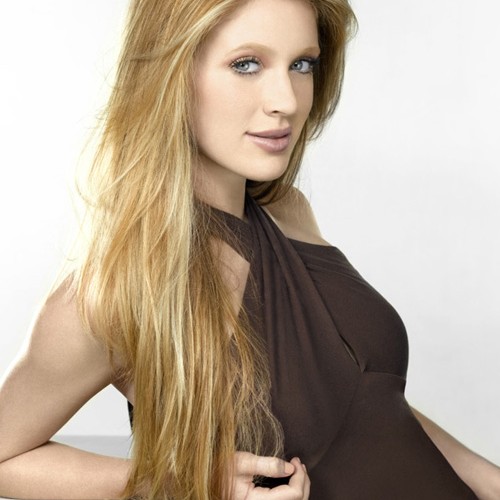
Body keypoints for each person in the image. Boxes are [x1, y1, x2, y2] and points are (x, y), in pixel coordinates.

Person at [0, 0, 499, 498]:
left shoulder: (290, 212)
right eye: (246, 64)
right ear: (170, 73)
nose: (286, 100)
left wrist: (491, 480)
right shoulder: (115, 291)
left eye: (301, 63)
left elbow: (373, 406)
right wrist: (178, 482)